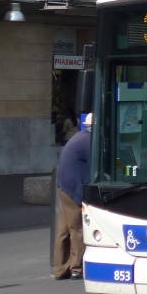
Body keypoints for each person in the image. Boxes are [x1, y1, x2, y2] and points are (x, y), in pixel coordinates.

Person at [53, 114, 92, 280]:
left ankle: (60, 269)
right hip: (73, 187)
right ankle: (77, 268)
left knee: (63, 229)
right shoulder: (89, 140)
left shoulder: (79, 137)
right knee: (77, 229)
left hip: (65, 186)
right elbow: (95, 164)